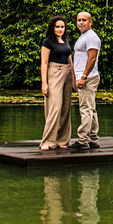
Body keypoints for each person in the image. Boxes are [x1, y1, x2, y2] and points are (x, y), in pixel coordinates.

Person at [39, 16, 74, 150]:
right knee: (55, 107)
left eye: (62, 27)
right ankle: (47, 141)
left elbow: (70, 60)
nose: (60, 29)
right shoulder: (48, 42)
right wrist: (44, 83)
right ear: (52, 28)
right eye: (57, 27)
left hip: (67, 74)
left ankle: (63, 140)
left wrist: (74, 80)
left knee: (66, 108)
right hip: (54, 73)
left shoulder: (65, 41)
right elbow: (44, 62)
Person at [69, 10, 101, 149]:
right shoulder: (83, 36)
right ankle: (93, 138)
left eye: (84, 20)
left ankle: (83, 140)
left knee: (85, 108)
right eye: (79, 20)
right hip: (84, 77)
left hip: (88, 77)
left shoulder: (91, 37)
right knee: (90, 108)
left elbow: (92, 58)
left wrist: (83, 77)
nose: (81, 22)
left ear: (90, 22)